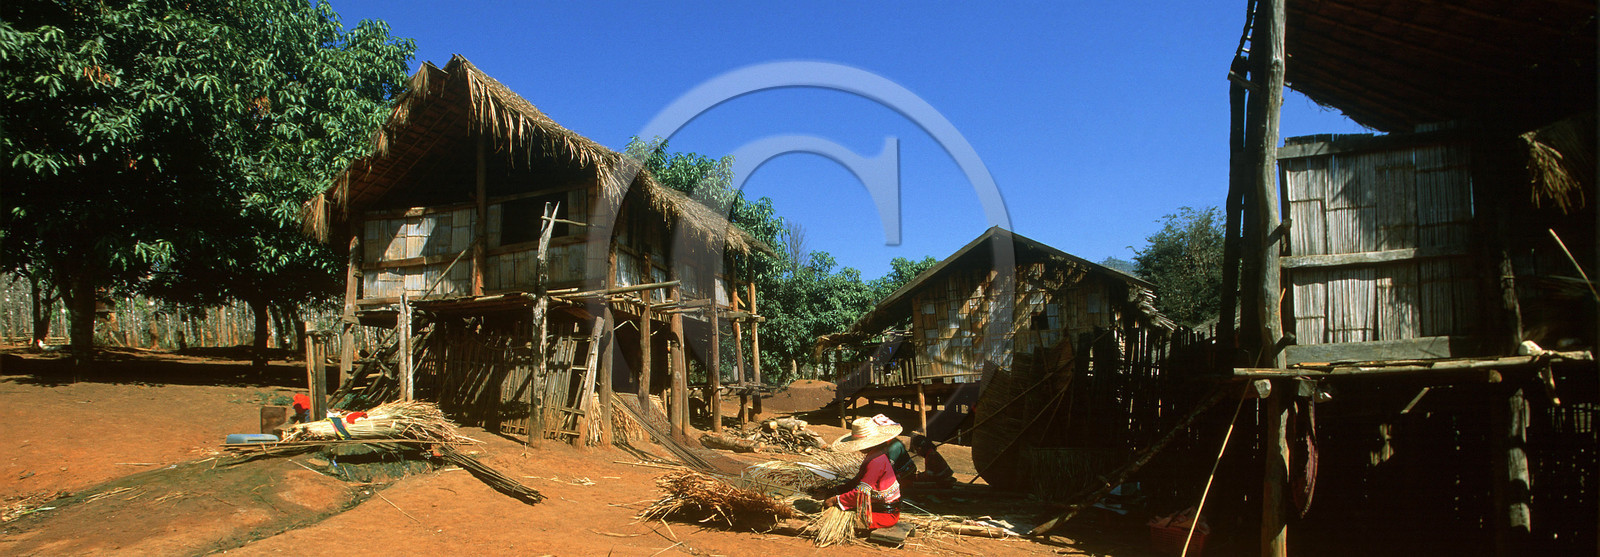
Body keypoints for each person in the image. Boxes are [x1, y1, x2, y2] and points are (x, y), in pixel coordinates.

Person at [825, 414, 904, 529]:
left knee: (846, 521)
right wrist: (837, 490)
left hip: (884, 515)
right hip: (877, 507)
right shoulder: (875, 455)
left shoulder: (876, 461)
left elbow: (861, 493)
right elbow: (858, 480)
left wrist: (835, 500)